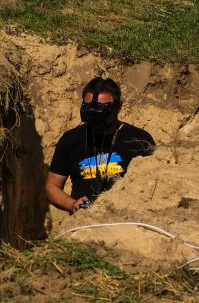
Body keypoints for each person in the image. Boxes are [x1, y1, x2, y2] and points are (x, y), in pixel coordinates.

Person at [45, 77, 155, 214]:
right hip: (82, 222)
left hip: (126, 221)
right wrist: (72, 204)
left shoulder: (140, 140)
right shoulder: (71, 139)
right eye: (92, 114)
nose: (97, 121)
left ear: (119, 107)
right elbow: (51, 186)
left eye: (102, 113)